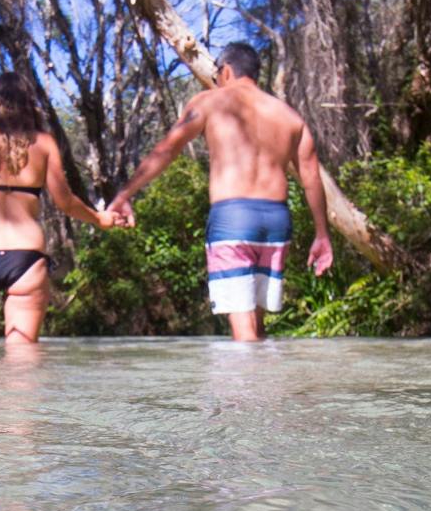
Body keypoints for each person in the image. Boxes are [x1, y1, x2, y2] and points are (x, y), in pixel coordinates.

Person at [108, 43, 332, 342]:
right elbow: (312, 179)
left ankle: (246, 390)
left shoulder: (210, 102)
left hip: (233, 219)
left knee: (243, 333)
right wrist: (322, 235)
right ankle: (270, 388)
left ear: (225, 71)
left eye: (216, 75)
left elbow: (166, 150)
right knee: (257, 325)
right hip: (276, 222)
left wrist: (124, 195)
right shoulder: (290, 117)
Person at [0, 74, 124, 342]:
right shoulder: (44, 143)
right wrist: (99, 219)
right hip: (27, 258)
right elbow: (65, 201)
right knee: (22, 364)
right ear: (28, 103)